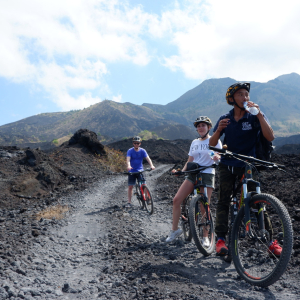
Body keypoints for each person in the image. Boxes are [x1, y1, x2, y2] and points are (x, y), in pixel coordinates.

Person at [209, 82, 282, 256]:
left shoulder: (254, 116)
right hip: (228, 164)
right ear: (232, 99)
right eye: (241, 94)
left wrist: (260, 115)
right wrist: (218, 130)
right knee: (223, 200)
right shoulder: (224, 118)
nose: (245, 98)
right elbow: (212, 144)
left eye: (246, 95)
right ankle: (220, 240)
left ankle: (270, 241)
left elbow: (270, 136)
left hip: (249, 164)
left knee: (256, 200)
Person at [166, 116, 222, 243]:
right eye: (198, 126)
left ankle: (205, 236)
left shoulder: (215, 140)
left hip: (207, 173)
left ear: (209, 127)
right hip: (192, 174)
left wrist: (214, 156)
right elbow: (190, 160)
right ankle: (174, 230)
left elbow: (218, 157)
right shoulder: (194, 142)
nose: (200, 128)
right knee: (176, 200)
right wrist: (182, 171)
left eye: (203, 125)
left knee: (204, 205)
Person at [126, 136, 155, 208]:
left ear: (140, 144)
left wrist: (151, 165)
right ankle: (129, 202)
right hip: (132, 171)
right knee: (130, 187)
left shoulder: (143, 151)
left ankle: (147, 198)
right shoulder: (130, 151)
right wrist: (129, 166)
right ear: (133, 143)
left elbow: (148, 158)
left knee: (144, 184)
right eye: (135, 143)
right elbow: (128, 160)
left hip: (140, 170)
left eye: (138, 143)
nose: (136, 144)